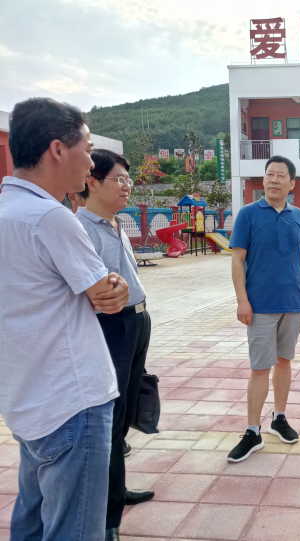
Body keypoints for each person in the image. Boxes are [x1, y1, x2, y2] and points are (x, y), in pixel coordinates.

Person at [0, 98, 128, 540]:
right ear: (57, 149)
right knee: (74, 529)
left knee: (33, 521)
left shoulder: (7, 212)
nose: (90, 163)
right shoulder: (51, 218)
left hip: (27, 399)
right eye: (87, 150)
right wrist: (113, 288)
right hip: (73, 401)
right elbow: (106, 296)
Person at [76, 149, 155, 541]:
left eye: (128, 180)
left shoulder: (115, 223)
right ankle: (108, 520)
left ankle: (118, 491)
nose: (126, 186)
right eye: (118, 179)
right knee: (109, 418)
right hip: (112, 326)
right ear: (92, 182)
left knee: (124, 415)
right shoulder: (81, 229)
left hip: (137, 321)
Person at [227, 155, 300, 463]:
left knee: (285, 361)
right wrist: (242, 300)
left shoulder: (299, 216)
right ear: (263, 180)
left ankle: (279, 418)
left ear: (292, 184)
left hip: (292, 302)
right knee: (260, 367)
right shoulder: (248, 214)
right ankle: (252, 431)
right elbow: (237, 259)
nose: (273, 179)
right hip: (260, 305)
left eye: (280, 175)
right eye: (269, 174)